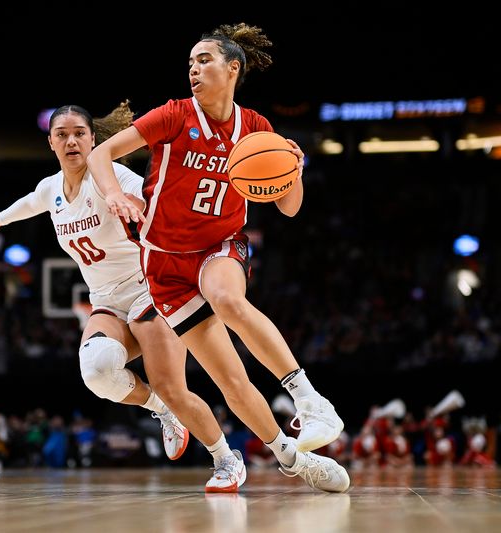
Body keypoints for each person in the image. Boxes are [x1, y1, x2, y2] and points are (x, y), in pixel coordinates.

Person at [0, 103, 344, 492]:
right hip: (106, 300)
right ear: (50, 142)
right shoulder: (50, 189)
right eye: (62, 134)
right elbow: (30, 204)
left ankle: (230, 459)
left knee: (181, 384)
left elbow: (161, 197)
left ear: (92, 138)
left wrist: (136, 201)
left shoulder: (115, 176)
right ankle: (161, 410)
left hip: (150, 290)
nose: (72, 141)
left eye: (80, 133)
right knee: (97, 371)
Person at [87, 23, 349, 491]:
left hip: (219, 245)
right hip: (164, 263)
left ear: (233, 68)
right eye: (189, 62)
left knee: (227, 298)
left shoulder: (255, 129)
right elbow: (101, 154)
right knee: (231, 382)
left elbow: (289, 207)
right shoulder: (173, 115)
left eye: (204, 60)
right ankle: (292, 460)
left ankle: (310, 401)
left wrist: (295, 167)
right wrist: (115, 196)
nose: (193, 68)